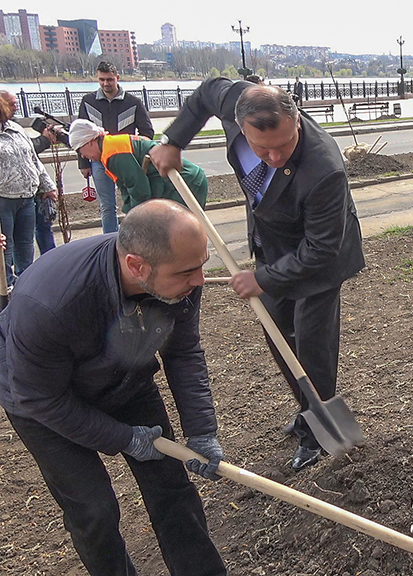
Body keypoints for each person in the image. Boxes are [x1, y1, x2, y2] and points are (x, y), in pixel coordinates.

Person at [0, 199, 227, 576]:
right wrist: (121, 437)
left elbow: (183, 351)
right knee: (94, 510)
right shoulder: (50, 303)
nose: (200, 280)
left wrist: (202, 431)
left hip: (125, 378)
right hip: (43, 398)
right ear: (136, 266)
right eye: (189, 272)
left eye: (201, 265)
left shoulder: (179, 275)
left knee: (171, 486)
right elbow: (40, 397)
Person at [150, 78, 366, 471]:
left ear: (296, 119)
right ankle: (308, 409)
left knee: (312, 344)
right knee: (277, 331)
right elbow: (204, 94)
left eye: (284, 144)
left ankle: (318, 434)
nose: (275, 156)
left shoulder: (324, 168)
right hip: (271, 242)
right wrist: (173, 141)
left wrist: (262, 279)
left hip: (319, 258)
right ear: (239, 125)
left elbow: (320, 248)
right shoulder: (237, 101)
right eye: (261, 147)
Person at [67, 118, 208, 213]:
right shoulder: (108, 150)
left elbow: (139, 189)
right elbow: (126, 187)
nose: (83, 156)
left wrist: (134, 214)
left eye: (80, 151)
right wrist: (128, 209)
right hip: (180, 183)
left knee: (179, 236)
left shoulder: (113, 153)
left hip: (185, 182)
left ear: (90, 141)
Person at [78, 61, 154, 233]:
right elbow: (80, 137)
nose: (106, 83)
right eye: (102, 79)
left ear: (117, 78)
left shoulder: (133, 102)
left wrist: (139, 150)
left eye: (110, 79)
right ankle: (111, 241)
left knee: (135, 199)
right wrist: (83, 163)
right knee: (107, 206)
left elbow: (147, 132)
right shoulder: (88, 102)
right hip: (99, 161)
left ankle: (136, 234)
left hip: (127, 158)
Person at [0, 92, 56, 286]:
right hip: (3, 200)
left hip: (26, 197)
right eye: (11, 104)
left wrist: (47, 186)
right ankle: (5, 287)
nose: (15, 107)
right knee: (5, 248)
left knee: (25, 244)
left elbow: (33, 160)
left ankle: (25, 284)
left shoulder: (15, 128)